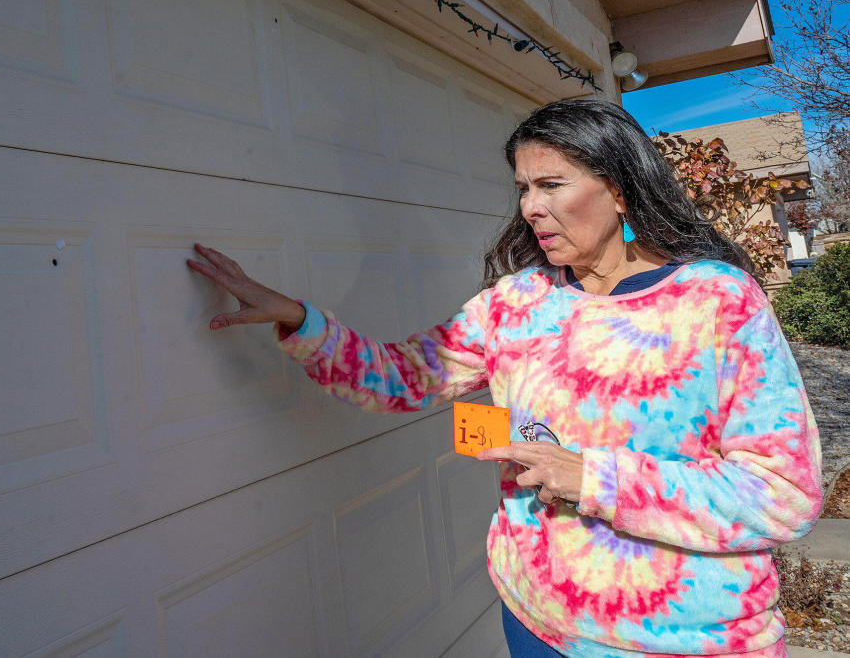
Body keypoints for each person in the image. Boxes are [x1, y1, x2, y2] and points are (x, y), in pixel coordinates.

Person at [185, 99, 823, 657]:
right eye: (523, 188)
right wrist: (299, 320)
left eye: (552, 185)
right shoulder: (514, 303)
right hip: (534, 621)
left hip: (683, 640)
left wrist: (591, 476)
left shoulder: (716, 301)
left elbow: (782, 494)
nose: (532, 208)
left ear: (621, 189)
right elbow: (404, 378)